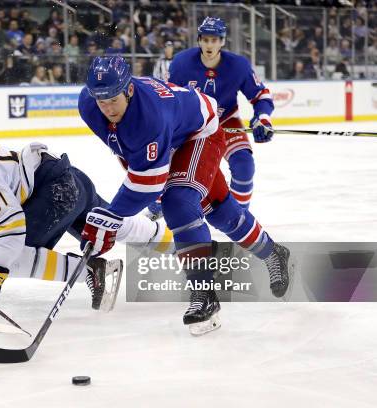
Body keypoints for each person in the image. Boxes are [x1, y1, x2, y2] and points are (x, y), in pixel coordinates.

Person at [78, 55, 291, 336]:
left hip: (200, 134)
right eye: (101, 101)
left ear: (129, 89)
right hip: (173, 134)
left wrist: (112, 216)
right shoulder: (89, 104)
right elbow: (127, 150)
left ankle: (205, 294)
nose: (107, 108)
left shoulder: (150, 115)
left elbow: (148, 183)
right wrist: (116, 213)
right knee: (219, 209)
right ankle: (272, 252)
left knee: (179, 203)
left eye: (113, 100)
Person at [0, 131, 175, 311]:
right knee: (111, 224)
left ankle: (92, 271)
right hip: (64, 179)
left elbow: (10, 227)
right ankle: (178, 244)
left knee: (13, 257)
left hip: (55, 192)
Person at [167, 17, 275, 209]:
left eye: (215, 39)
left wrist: (262, 118)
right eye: (206, 39)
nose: (210, 44)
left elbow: (261, 96)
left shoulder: (238, 66)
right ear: (199, 40)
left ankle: (240, 215)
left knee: (244, 166)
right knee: (171, 168)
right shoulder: (181, 63)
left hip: (225, 122)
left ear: (222, 41)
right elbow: (167, 97)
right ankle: (157, 207)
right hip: (192, 126)